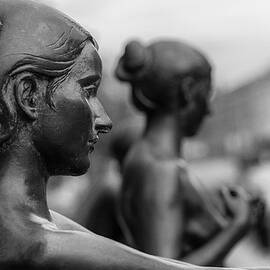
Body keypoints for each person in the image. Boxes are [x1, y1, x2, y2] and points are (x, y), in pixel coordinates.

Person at [0, 1, 267, 269]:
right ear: (29, 95)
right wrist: (237, 227)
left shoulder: (51, 230)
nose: (104, 120)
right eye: (88, 90)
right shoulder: (41, 249)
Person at [115, 40, 263, 266]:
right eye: (206, 95)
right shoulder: (160, 168)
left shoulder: (150, 159)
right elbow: (163, 268)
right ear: (187, 91)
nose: (209, 109)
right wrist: (238, 226)